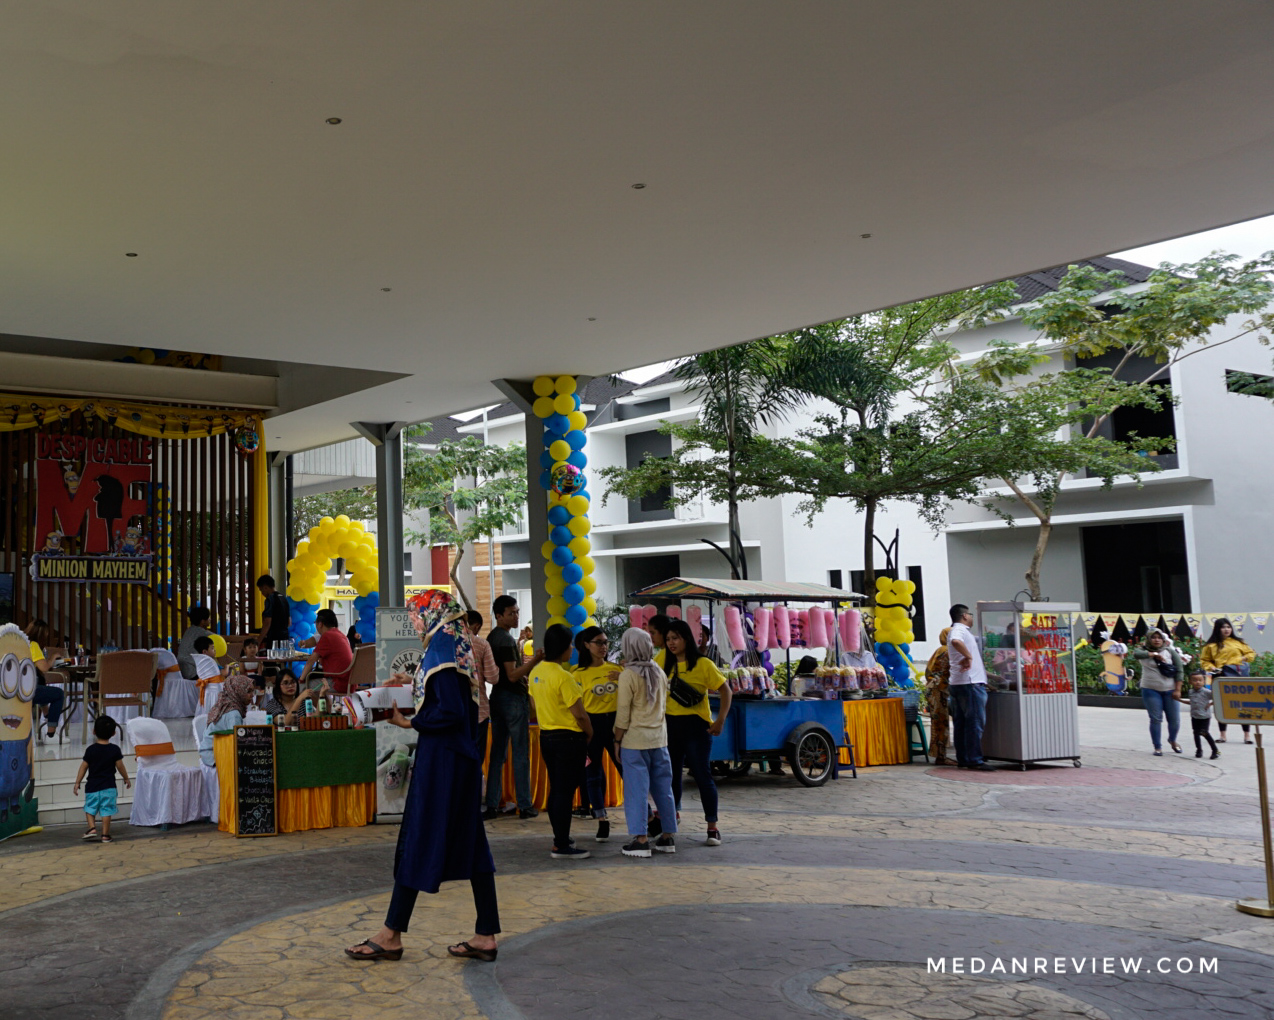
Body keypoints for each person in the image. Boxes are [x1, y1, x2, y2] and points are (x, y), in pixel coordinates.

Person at [346, 589, 500, 962]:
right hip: (459, 760)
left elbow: (446, 712)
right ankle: (485, 935)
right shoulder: (453, 644)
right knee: (473, 848)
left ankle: (391, 933)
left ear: (432, 615)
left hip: (442, 763)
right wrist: (412, 682)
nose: (414, 622)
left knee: (418, 839)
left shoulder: (442, 650)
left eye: (416, 614)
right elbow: (447, 698)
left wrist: (410, 720)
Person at [663, 617, 732, 845]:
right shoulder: (663, 661)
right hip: (669, 726)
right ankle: (671, 820)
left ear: (686, 639)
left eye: (676, 638)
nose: (671, 643)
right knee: (671, 776)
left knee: (702, 775)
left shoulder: (703, 664)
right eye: (668, 639)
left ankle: (712, 826)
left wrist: (720, 720)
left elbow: (726, 691)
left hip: (696, 728)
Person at [528, 623, 593, 860]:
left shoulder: (536, 672)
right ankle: (561, 844)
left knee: (557, 789)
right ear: (565, 649)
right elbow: (579, 713)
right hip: (569, 738)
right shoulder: (564, 677)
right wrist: (589, 733)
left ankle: (561, 837)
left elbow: (534, 706)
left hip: (547, 737)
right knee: (565, 792)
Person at [614, 627, 678, 858]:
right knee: (663, 789)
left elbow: (623, 714)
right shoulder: (659, 671)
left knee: (636, 792)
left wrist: (617, 739)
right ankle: (668, 836)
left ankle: (641, 839)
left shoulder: (628, 675)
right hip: (659, 740)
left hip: (635, 742)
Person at [483, 595, 543, 821]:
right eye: (511, 613)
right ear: (499, 615)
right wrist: (535, 660)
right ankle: (525, 806)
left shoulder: (491, 637)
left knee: (497, 753)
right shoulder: (506, 640)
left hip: (497, 697)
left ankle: (491, 804)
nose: (516, 616)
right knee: (520, 753)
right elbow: (512, 674)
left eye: (517, 612)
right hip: (513, 699)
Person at [573, 626, 623, 842]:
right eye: (598, 642)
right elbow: (576, 707)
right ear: (586, 645)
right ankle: (602, 820)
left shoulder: (618, 669)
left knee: (628, 772)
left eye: (605, 642)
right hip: (591, 726)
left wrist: (623, 678)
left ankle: (647, 817)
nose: (603, 647)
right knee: (593, 775)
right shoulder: (577, 674)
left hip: (615, 725)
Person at [946, 604, 995, 772]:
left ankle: (965, 758)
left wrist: (989, 679)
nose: (972, 618)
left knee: (962, 723)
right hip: (969, 684)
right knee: (974, 722)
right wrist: (967, 656)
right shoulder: (958, 630)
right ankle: (974, 759)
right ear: (965, 616)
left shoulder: (961, 631)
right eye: (971, 615)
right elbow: (955, 641)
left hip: (963, 683)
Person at [73, 715, 130, 843]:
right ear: (114, 733)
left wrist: (77, 782)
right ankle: (105, 835)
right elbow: (120, 766)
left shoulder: (91, 750)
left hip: (92, 787)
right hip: (109, 787)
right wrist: (126, 778)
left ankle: (92, 828)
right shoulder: (114, 750)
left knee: (89, 808)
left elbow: (83, 767)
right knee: (106, 811)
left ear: (93, 732)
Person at [1201, 618, 1256, 743]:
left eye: (1228, 627)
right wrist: (1213, 668)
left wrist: (1242, 658)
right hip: (1221, 677)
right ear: (1217, 629)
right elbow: (1204, 661)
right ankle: (1223, 735)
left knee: (1243, 704)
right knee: (1222, 705)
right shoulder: (1211, 645)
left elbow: (1251, 654)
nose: (1226, 630)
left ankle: (1247, 735)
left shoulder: (1238, 642)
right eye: (1223, 627)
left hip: (1239, 676)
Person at [1132, 628, 1184, 756]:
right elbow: (1136, 654)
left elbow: (1180, 670)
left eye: (1159, 637)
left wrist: (1178, 689)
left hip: (1170, 690)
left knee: (1175, 720)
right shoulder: (1143, 651)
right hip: (1150, 689)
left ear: (1163, 639)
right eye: (1153, 637)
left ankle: (1172, 740)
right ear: (1149, 639)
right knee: (1155, 719)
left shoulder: (1170, 651)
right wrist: (1153, 655)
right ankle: (1157, 746)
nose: (1156, 640)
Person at [464, 610, 499, 774]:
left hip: (455, 711)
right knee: (476, 758)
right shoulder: (482, 644)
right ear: (476, 626)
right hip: (479, 710)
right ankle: (473, 797)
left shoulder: (448, 643)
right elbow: (493, 678)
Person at [196, 674, 255, 766]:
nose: (252, 695)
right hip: (213, 755)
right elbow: (236, 743)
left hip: (207, 752)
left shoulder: (225, 703)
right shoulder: (234, 714)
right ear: (238, 691)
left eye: (252, 691)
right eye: (248, 691)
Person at [23, 619, 65, 740]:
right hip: (28, 691)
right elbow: (44, 667)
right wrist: (52, 658)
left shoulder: (22, 642)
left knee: (41, 682)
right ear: (41, 633)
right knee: (58, 694)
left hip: (18, 688)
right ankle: (51, 735)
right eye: (46, 633)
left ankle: (47, 715)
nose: (47, 635)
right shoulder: (33, 645)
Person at [299, 609, 354, 694]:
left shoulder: (327, 636)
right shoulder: (341, 635)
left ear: (320, 624)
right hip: (349, 682)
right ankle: (323, 707)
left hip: (338, 683)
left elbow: (311, 660)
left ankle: (296, 707)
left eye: (315, 623)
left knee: (300, 687)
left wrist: (301, 680)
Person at [924, 627, 954, 766]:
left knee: (939, 724)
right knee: (941, 724)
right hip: (939, 691)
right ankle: (940, 757)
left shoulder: (941, 649)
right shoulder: (946, 650)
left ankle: (940, 755)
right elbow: (943, 673)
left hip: (936, 690)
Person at [1179, 670, 1220, 760]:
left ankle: (1215, 750)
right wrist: (1180, 700)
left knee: (1204, 732)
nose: (1198, 682)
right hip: (1195, 716)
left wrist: (1210, 704)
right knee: (1196, 733)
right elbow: (1192, 702)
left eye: (1200, 680)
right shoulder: (1191, 692)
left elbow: (1218, 696)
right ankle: (1199, 750)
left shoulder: (1206, 692)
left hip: (1205, 716)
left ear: (1204, 681)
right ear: (1190, 682)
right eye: (1195, 680)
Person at [263, 672, 331, 724]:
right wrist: (299, 698)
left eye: (293, 682)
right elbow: (285, 722)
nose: (290, 686)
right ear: (278, 686)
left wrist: (322, 695)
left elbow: (316, 717)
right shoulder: (272, 704)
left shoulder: (303, 702)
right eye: (285, 683)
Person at [256, 574, 291, 649]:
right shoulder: (283, 598)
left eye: (261, 590)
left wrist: (258, 641)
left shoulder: (270, 599)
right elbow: (289, 622)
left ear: (265, 587)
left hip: (274, 640)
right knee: (283, 659)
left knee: (272, 660)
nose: (262, 593)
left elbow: (267, 623)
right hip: (285, 639)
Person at [176, 606, 213, 680]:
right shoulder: (200, 632)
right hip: (191, 671)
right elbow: (221, 638)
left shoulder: (189, 630)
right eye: (208, 618)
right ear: (202, 621)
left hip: (181, 669)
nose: (210, 619)